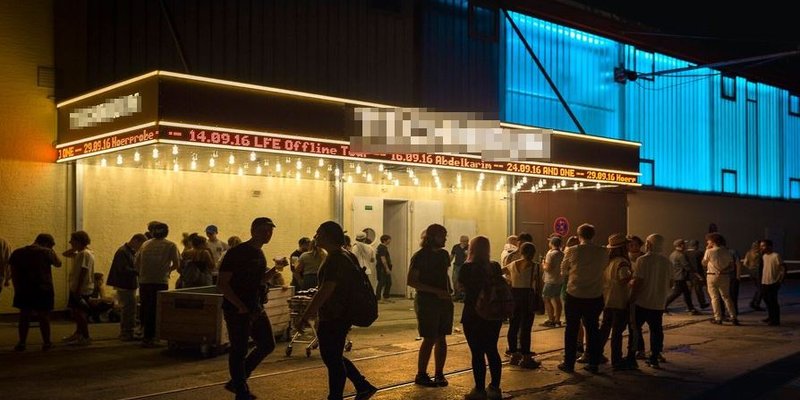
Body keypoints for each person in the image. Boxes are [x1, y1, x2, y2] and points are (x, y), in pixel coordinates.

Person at [298, 221, 378, 400]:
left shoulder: (336, 258)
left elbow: (327, 289)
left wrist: (307, 314)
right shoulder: (346, 254)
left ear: (327, 235)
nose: (315, 236)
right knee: (333, 355)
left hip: (335, 315)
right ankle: (362, 385)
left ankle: (336, 396)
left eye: (318, 233)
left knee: (332, 358)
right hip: (341, 313)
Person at [217, 217, 283, 400]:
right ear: (253, 230)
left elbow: (259, 280)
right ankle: (240, 389)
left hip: (255, 307)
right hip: (237, 309)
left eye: (270, 231)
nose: (268, 234)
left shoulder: (260, 254)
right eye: (264, 230)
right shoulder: (237, 253)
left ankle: (238, 380)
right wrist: (238, 306)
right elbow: (222, 283)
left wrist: (274, 270)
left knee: (267, 344)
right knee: (239, 349)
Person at [460, 236, 505, 400]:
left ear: (472, 248)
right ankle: (495, 388)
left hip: (473, 314)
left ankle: (479, 390)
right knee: (492, 349)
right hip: (493, 313)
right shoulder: (494, 266)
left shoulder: (467, 267)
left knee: (477, 353)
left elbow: (461, 287)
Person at [408, 223, 453, 387]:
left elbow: (445, 276)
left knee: (442, 337)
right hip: (427, 301)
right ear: (432, 237)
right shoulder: (420, 256)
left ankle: (439, 373)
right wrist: (435, 291)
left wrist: (448, 292)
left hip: (443, 301)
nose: (445, 239)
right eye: (442, 235)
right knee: (429, 338)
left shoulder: (444, 255)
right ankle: (421, 374)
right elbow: (412, 281)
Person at [558, 224, 606, 374]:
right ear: (593, 235)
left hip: (575, 294)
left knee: (571, 330)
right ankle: (593, 363)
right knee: (593, 329)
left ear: (579, 235)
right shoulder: (603, 251)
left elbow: (563, 271)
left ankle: (569, 363)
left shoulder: (572, 250)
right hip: (595, 295)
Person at [9, 234, 61, 351]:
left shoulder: (18, 252)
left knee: (24, 316)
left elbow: (14, 273)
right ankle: (47, 343)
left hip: (24, 289)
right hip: (43, 289)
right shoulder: (47, 252)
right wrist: (51, 250)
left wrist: (17, 288)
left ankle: (22, 343)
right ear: (47, 244)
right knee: (44, 316)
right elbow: (58, 263)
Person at [135, 221, 181, 347]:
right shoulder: (170, 245)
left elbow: (136, 262)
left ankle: (145, 334)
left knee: (145, 308)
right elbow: (177, 264)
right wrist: (168, 271)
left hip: (144, 281)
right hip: (160, 281)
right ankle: (153, 337)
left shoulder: (145, 244)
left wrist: (142, 273)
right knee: (156, 309)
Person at [630, 234, 672, 368]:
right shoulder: (667, 262)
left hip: (642, 301)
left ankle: (635, 353)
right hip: (658, 303)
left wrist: (632, 297)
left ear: (649, 244)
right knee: (656, 330)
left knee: (635, 328)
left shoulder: (642, 260)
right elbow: (671, 282)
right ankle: (654, 356)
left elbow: (638, 281)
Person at [598, 234, 636, 371]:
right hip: (620, 300)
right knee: (617, 332)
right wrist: (633, 280)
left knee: (604, 328)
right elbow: (623, 278)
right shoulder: (622, 262)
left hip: (607, 299)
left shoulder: (607, 261)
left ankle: (595, 355)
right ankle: (617, 360)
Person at [502, 242, 541, 368]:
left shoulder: (513, 264)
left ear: (521, 252)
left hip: (514, 296)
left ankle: (514, 355)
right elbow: (539, 285)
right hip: (527, 297)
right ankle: (525, 357)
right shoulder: (536, 267)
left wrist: (508, 281)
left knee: (513, 326)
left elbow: (500, 272)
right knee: (526, 328)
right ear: (533, 253)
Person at [107, 234, 147, 340]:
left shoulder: (126, 251)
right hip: (125, 284)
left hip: (126, 284)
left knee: (129, 309)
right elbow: (123, 269)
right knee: (128, 309)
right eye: (140, 245)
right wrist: (138, 271)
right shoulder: (123, 252)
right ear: (135, 241)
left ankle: (127, 331)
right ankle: (126, 332)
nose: (140, 248)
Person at [702, 233, 738, 325]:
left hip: (711, 275)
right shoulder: (727, 251)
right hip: (725, 276)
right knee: (726, 297)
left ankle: (718, 318)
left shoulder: (709, 251)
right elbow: (731, 266)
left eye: (709, 240)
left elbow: (704, 263)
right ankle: (733, 317)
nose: (707, 242)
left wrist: (706, 249)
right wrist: (723, 270)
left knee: (714, 298)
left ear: (713, 241)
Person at [665, 239, 700, 315]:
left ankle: (691, 308)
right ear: (681, 245)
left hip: (676, 276)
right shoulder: (680, 255)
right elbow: (687, 266)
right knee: (676, 293)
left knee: (686, 293)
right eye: (684, 244)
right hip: (680, 277)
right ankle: (663, 306)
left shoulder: (672, 254)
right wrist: (696, 274)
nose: (685, 245)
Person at [760, 239, 785, 326]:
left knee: (773, 301)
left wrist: (779, 281)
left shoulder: (776, 256)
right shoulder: (764, 256)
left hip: (773, 282)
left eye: (763, 246)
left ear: (769, 246)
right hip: (764, 281)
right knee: (766, 300)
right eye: (761, 246)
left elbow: (782, 269)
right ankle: (770, 316)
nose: (761, 248)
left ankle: (775, 320)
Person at [541, 236, 564, 327]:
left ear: (552, 243)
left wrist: (543, 264)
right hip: (559, 280)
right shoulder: (562, 253)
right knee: (557, 299)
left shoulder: (550, 254)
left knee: (546, 298)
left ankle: (551, 319)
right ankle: (557, 319)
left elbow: (548, 268)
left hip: (550, 280)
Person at [686, 239, 709, 309]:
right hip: (698, 274)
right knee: (699, 290)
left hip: (688, 274)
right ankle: (702, 303)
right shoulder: (699, 253)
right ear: (696, 245)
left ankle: (689, 305)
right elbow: (704, 263)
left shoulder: (685, 253)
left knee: (688, 291)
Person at [743, 241, 764, 311]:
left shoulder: (749, 253)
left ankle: (754, 303)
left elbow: (745, 263)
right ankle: (755, 303)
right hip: (759, 272)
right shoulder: (761, 253)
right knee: (761, 289)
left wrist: (751, 268)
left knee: (759, 288)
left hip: (752, 273)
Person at [450, 235, 469, 301]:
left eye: (466, 241)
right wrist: (448, 262)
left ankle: (464, 296)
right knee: (455, 280)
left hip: (465, 266)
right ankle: (457, 294)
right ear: (460, 241)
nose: (465, 243)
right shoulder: (456, 247)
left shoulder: (469, 247)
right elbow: (452, 255)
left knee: (464, 281)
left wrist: (467, 254)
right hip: (457, 266)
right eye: (464, 241)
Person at [375, 234, 393, 301]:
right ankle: (378, 297)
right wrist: (387, 268)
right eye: (389, 239)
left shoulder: (381, 247)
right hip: (382, 268)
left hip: (382, 267)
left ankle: (386, 296)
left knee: (388, 282)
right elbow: (383, 258)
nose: (390, 240)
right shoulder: (382, 248)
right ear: (385, 240)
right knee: (382, 282)